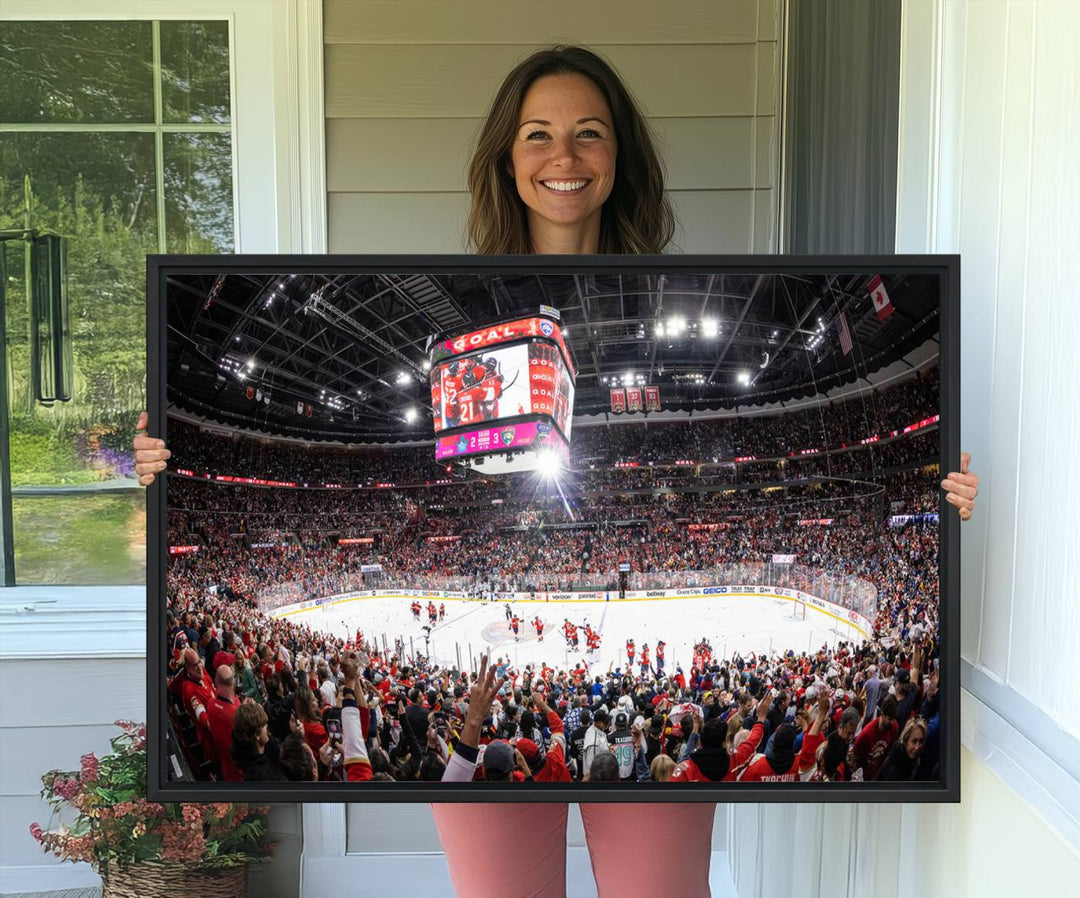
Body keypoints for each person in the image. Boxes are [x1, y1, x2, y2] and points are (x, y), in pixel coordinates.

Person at [134, 42, 982, 898]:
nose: (563, 157)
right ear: (506, 157)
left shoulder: (674, 282)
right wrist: (156, 472)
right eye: (537, 134)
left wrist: (945, 498)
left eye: (590, 133)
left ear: (623, 158)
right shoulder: (448, 295)